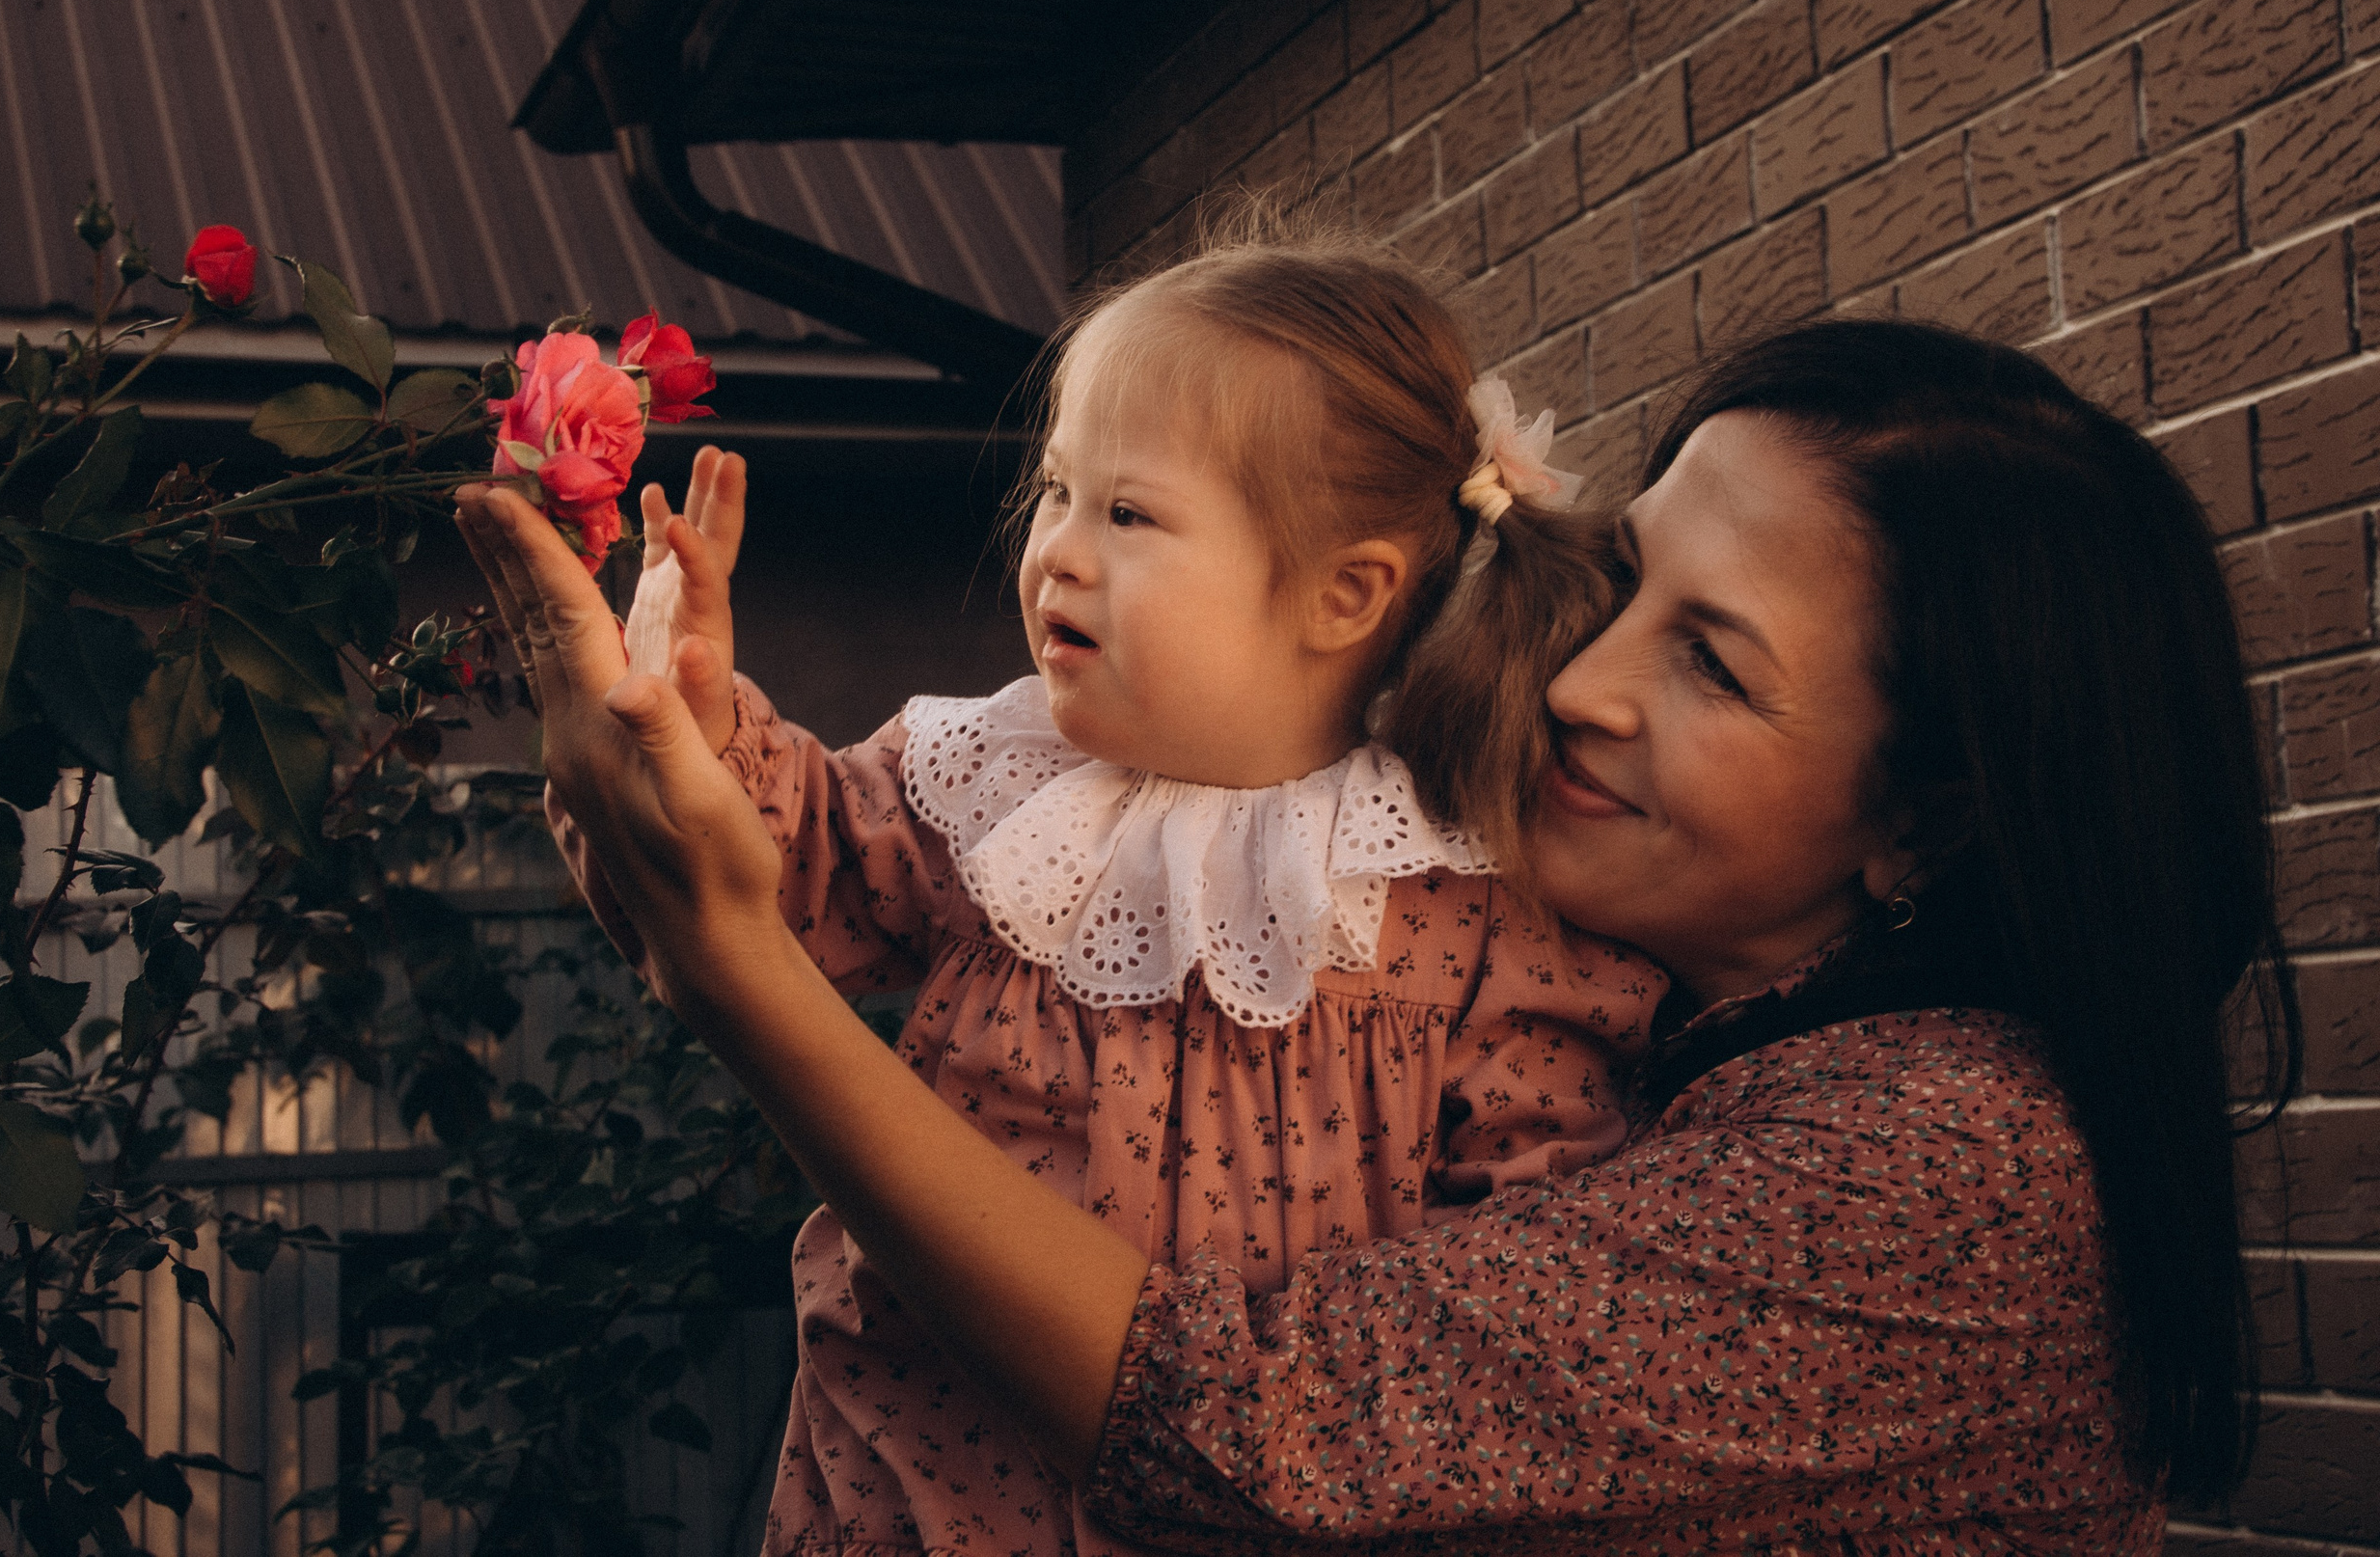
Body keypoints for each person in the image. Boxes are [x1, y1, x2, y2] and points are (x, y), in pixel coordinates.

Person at [458, 317, 2297, 1552]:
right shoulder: (1572, 963)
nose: (1576, 673)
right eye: (1620, 574)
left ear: (1927, 817)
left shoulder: (1938, 1159)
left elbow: (1266, 1431)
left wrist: (739, 981)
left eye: (1712, 662)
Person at [546, 236, 1667, 1555]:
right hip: (925, 1503)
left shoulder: (1453, 887)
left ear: (1342, 592)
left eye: (1128, 515)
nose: (1060, 554)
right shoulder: (995, 782)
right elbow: (780, 890)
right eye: (1059, 491)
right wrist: (700, 726)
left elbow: (1541, 1240)